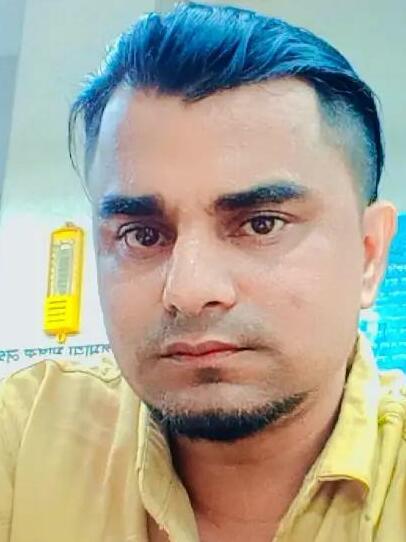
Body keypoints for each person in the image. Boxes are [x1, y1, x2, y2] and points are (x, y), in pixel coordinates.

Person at [1, 2, 405, 541]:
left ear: (369, 253)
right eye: (142, 235)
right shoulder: (23, 438)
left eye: (261, 224)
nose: (190, 290)